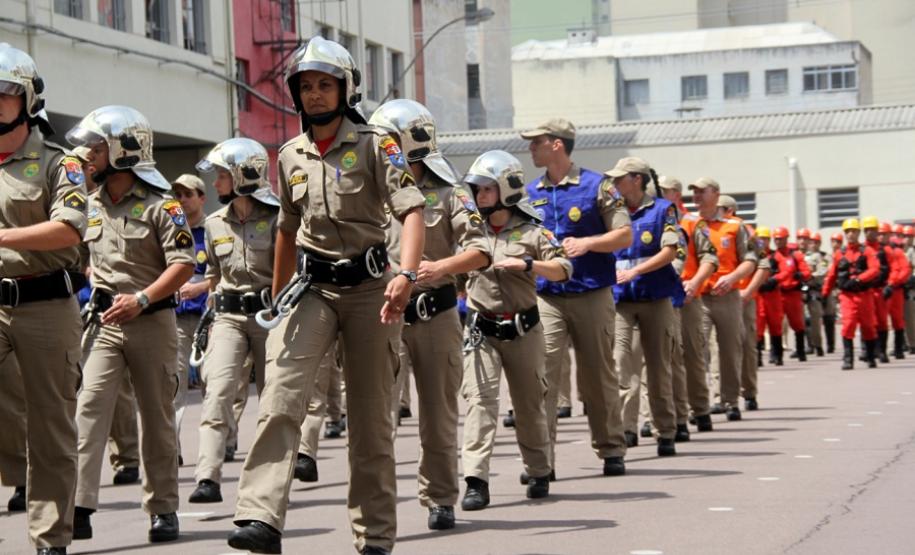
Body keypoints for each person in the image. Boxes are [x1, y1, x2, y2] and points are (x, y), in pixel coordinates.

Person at [227, 36, 425, 555]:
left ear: (346, 89)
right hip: (311, 289)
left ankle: (375, 535)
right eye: (306, 86)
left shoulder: (377, 143)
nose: (315, 94)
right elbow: (286, 234)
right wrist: (275, 300)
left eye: (325, 85)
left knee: (370, 419)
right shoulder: (289, 154)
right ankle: (260, 518)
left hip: (370, 291)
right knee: (279, 397)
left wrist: (406, 274)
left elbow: (411, 212)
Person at [68, 105, 195, 543]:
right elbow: (84, 259)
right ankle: (78, 507)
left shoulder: (165, 206)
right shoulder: (90, 205)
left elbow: (184, 264)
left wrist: (141, 298)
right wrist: (99, 286)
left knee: (156, 416)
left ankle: (163, 508)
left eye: (96, 148)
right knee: (88, 409)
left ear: (121, 152)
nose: (87, 156)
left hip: (152, 322)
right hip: (104, 323)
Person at [369, 99, 489, 530]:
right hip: (383, 314)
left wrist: (441, 267)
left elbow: (480, 250)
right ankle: (376, 508)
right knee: (377, 413)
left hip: (436, 313)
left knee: (437, 413)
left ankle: (439, 497)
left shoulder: (451, 192)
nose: (378, 147)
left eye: (386, 140)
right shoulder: (371, 192)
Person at [0, 43, 89, 555]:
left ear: (29, 99)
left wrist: (4, 238)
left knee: (51, 425)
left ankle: (50, 538)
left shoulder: (61, 162)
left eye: (5, 93)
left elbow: (69, 229)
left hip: (45, 305)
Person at [458, 150, 572, 510]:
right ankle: (476, 481)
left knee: (528, 405)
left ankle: (539, 469)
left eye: (488, 189)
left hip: (524, 329)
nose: (481, 196)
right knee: (480, 404)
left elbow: (564, 269)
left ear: (507, 189)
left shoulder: (532, 230)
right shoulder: (468, 230)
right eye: (477, 189)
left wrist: (528, 264)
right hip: (481, 331)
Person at [521, 119, 633, 479]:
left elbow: (624, 235)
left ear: (556, 144)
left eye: (536, 142)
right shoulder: (529, 192)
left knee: (597, 375)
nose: (530, 148)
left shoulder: (596, 185)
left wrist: (588, 243)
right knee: (543, 376)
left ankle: (611, 447)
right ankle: (542, 461)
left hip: (591, 292)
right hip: (547, 296)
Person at [188, 138, 279, 504]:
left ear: (244, 176)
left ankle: (268, 479)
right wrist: (200, 289)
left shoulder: (279, 219)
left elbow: (289, 271)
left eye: (223, 175)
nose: (216, 183)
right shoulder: (214, 224)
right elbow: (213, 271)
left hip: (269, 315)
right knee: (218, 391)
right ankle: (207, 477)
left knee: (275, 398)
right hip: (227, 316)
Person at [609, 157, 681, 457]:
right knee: (621, 364)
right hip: (621, 302)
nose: (614, 184)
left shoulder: (663, 210)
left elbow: (670, 251)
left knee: (659, 367)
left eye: (619, 179)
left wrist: (636, 272)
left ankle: (665, 431)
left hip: (655, 298)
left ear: (636, 179)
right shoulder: (613, 212)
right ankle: (626, 429)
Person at [689, 178, 757, 422]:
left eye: (701, 191)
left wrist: (733, 278)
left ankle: (729, 401)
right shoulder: (690, 223)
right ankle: (697, 404)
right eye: (694, 192)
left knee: (730, 350)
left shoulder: (736, 226)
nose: (697, 196)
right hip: (698, 298)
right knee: (696, 351)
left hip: (727, 297)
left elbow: (752, 259)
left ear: (716, 194)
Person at [171, 173, 209, 465]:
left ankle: (222, 441)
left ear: (201, 198)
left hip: (212, 315)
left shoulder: (216, 229)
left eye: (188, 194)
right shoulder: (170, 231)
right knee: (175, 381)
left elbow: (228, 275)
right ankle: (173, 446)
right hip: (179, 318)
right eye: (178, 194)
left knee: (216, 382)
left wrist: (200, 287)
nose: (182, 200)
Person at [821, 218, 881, 369]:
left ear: (858, 233)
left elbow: (875, 269)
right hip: (847, 296)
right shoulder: (839, 254)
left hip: (864, 295)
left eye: (854, 231)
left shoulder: (867, 251)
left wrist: (859, 279)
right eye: (848, 232)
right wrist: (825, 293)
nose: (851, 234)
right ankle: (848, 359)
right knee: (848, 326)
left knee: (868, 326)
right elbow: (831, 275)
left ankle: (870, 356)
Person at [772, 226, 811, 362]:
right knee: (775, 323)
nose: (777, 242)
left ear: (786, 239)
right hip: (777, 293)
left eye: (780, 239)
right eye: (776, 239)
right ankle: (776, 354)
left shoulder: (795, 255)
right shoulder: (773, 256)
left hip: (793, 294)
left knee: (797, 323)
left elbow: (807, 272)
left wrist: (799, 275)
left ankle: (801, 351)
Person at [862, 217, 893, 363]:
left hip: (880, 290)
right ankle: (866, 350)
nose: (871, 233)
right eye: (867, 230)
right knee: (867, 321)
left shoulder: (885, 251)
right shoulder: (861, 250)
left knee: (881, 321)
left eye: (873, 230)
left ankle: (882, 351)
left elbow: (894, 269)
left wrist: (890, 285)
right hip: (866, 290)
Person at [878, 222, 910, 359]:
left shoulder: (897, 251)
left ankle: (898, 349)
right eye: (879, 234)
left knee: (897, 320)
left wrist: (894, 283)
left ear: (889, 235)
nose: (880, 237)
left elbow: (905, 270)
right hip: (879, 289)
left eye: (883, 234)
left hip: (895, 291)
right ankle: (880, 351)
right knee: (880, 320)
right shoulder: (873, 251)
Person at [800, 229, 827, 357]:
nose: (813, 244)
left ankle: (818, 345)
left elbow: (822, 272)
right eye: (811, 242)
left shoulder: (821, 257)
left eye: (816, 242)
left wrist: (810, 276)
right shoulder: (803, 256)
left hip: (814, 290)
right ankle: (808, 345)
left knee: (815, 320)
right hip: (803, 290)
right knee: (804, 320)